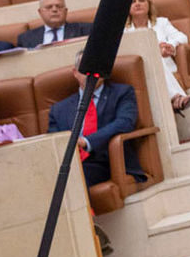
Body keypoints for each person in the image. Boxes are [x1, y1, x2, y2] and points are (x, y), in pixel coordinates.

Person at [47, 53, 145, 186]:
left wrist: (86, 141)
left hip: (108, 160)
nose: (90, 73)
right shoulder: (58, 109)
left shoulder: (122, 93)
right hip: (72, 162)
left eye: (95, 67)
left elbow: (125, 123)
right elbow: (53, 141)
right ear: (75, 72)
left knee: (73, 179)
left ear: (104, 72)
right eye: (85, 68)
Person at [125, 0, 190, 113]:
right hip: (142, 73)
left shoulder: (161, 23)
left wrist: (169, 46)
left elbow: (182, 37)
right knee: (152, 55)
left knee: (155, 58)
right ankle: (177, 98)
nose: (137, 4)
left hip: (166, 69)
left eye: (141, 0)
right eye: (133, 2)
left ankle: (176, 98)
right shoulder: (124, 32)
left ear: (149, 5)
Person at [17, 0, 91, 49]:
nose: (54, 10)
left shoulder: (85, 30)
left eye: (59, 6)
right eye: (49, 7)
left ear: (66, 11)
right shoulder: (26, 38)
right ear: (40, 12)